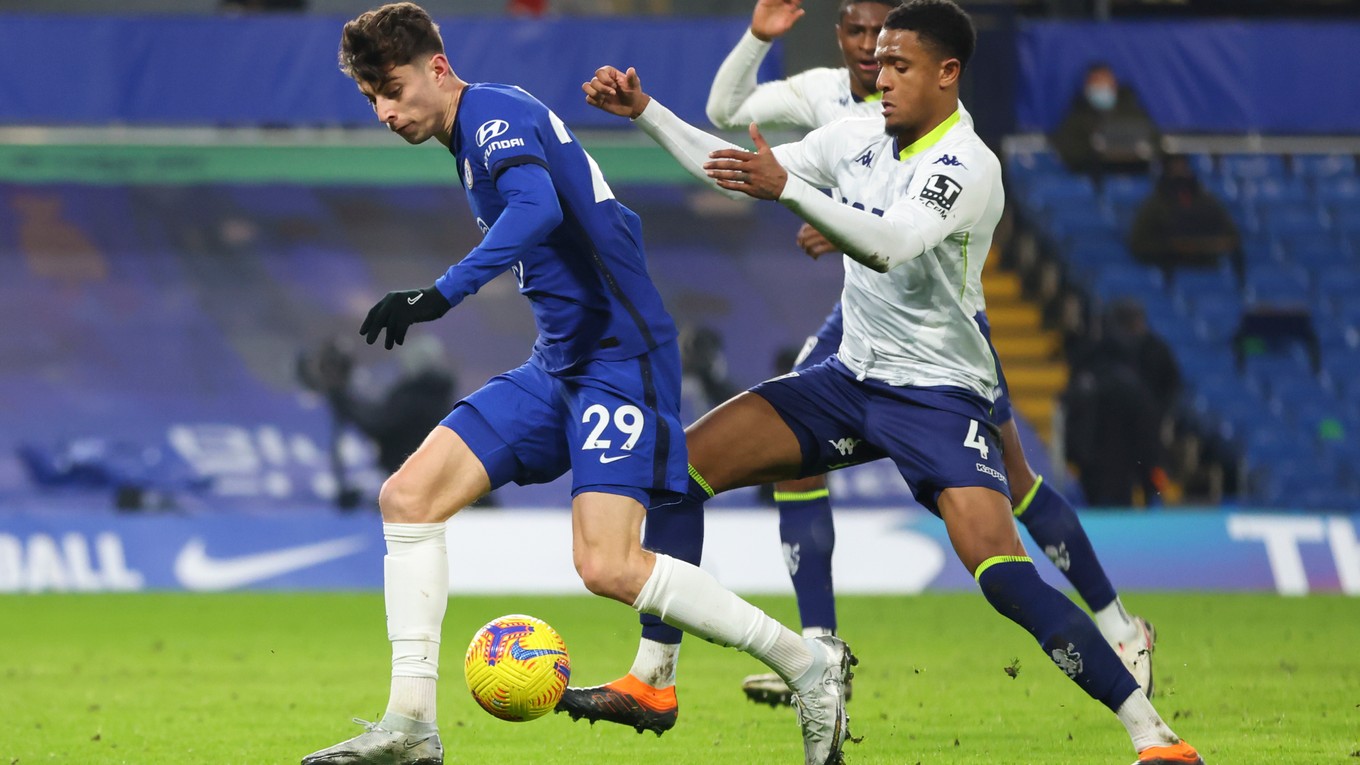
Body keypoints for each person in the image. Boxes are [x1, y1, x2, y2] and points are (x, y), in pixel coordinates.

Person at [572, 2, 1205, 763]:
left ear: (948, 73)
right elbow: (732, 167)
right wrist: (645, 111)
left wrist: (792, 191)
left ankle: (1153, 735)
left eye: (900, 64)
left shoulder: (967, 165)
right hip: (851, 378)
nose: (880, 73)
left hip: (940, 394)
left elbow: (892, 245)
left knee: (1003, 575)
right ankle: (655, 676)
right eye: (877, 59)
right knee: (679, 472)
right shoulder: (860, 133)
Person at [301, 5, 854, 765]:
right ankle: (410, 725)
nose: (387, 111)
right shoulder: (472, 134)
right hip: (559, 361)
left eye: (393, 89)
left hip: (619, 359)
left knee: (607, 565)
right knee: (408, 497)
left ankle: (806, 663)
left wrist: (440, 294)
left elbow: (537, 207)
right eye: (372, 100)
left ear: (437, 67)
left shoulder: (494, 115)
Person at [1065, 300, 1180, 506]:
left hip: (1090, 465)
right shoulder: (1132, 378)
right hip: (1121, 466)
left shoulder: (1088, 367)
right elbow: (1146, 429)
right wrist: (1152, 469)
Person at [1129, 155, 1242, 277]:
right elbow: (1139, 243)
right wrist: (1172, 247)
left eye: (1183, 165)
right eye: (1175, 166)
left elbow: (1231, 237)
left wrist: (1208, 245)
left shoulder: (1207, 202)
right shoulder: (1156, 204)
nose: (1181, 171)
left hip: (1207, 268)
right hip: (1168, 269)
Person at [1051, 62, 1159, 176]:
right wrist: (1092, 151)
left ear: (1114, 84)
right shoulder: (1077, 115)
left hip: (1134, 177)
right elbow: (1066, 149)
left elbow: (1154, 141)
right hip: (1091, 179)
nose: (1100, 87)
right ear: (1087, 86)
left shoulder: (1133, 111)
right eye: (1096, 82)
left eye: (1104, 82)